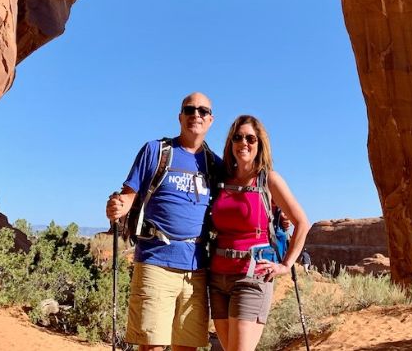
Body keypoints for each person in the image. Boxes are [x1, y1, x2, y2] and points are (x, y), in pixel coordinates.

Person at [106, 92, 220, 351]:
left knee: (187, 347)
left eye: (203, 111)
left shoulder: (214, 164)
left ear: (211, 120)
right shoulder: (155, 151)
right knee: (152, 346)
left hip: (197, 270)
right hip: (156, 261)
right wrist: (116, 206)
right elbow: (128, 197)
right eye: (189, 110)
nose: (196, 115)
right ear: (180, 116)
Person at [208, 115, 309, 351]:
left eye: (250, 138)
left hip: (252, 276)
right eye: (238, 137)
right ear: (231, 142)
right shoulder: (221, 179)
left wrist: (285, 265)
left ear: (259, 143)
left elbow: (302, 222)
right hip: (217, 277)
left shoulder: (269, 180)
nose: (244, 143)